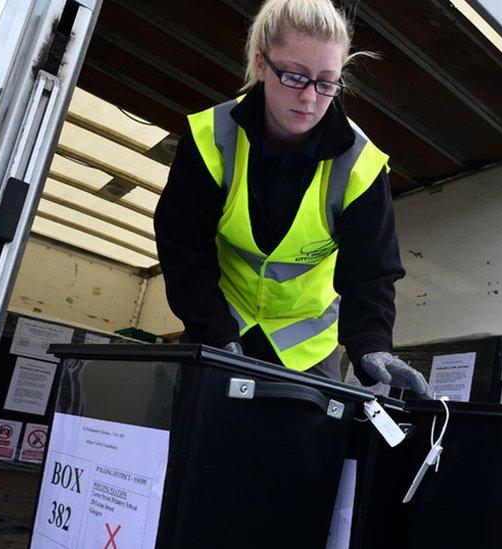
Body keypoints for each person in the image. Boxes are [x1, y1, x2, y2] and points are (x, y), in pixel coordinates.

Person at [154, 0, 428, 397]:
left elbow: (371, 272)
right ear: (262, 64)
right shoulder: (208, 140)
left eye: (327, 82)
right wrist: (212, 330)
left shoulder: (361, 166)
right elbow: (184, 248)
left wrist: (372, 343)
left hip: (308, 354)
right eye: (295, 77)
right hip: (220, 330)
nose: (311, 98)